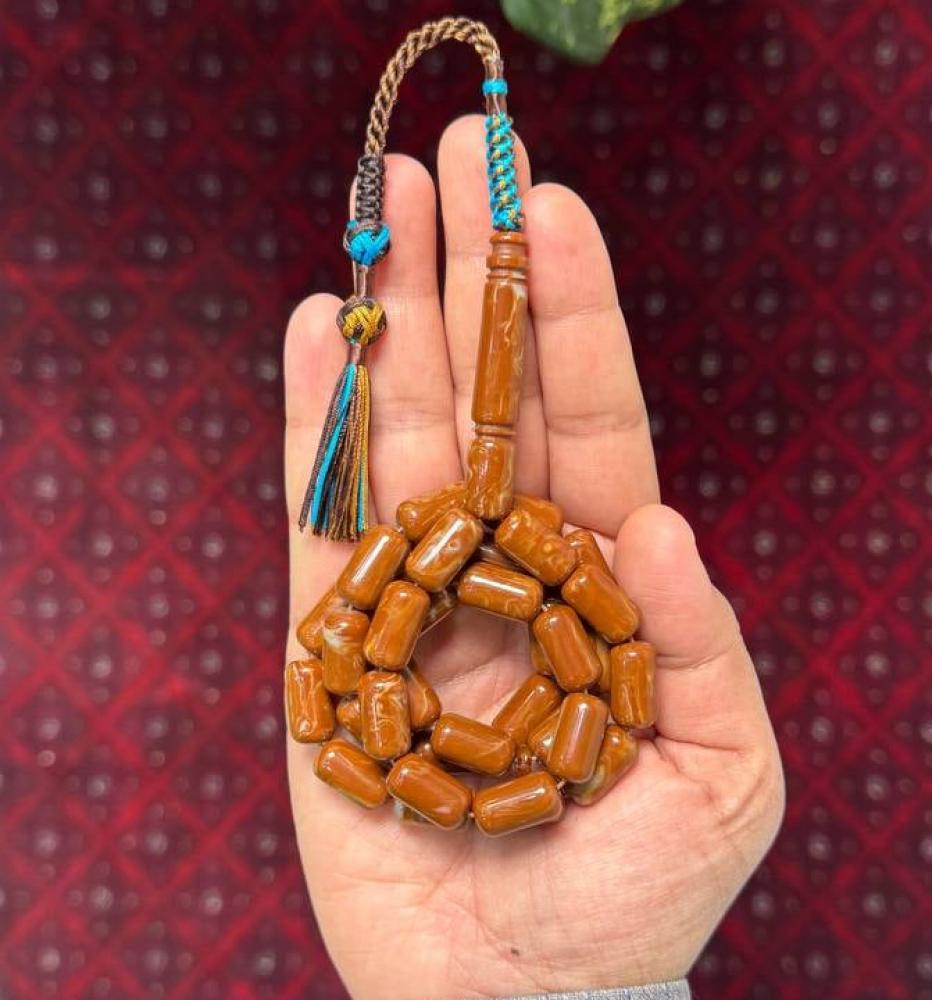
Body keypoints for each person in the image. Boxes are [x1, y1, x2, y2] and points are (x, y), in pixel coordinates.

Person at [284, 114, 785, 1000]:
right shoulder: (397, 688)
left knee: (561, 624)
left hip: (497, 656)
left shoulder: (556, 652)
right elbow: (357, 692)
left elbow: (578, 649)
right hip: (450, 645)